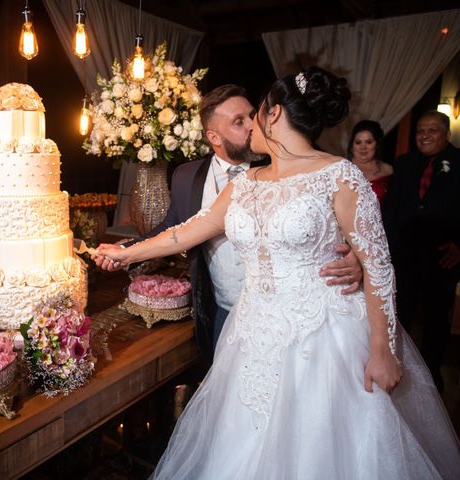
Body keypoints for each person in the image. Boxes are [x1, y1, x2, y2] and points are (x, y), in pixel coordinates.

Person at [95, 68, 460, 479]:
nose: (251, 122)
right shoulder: (247, 181)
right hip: (252, 335)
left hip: (324, 337)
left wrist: (382, 349)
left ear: (276, 113)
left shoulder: (340, 176)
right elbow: (187, 231)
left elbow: (377, 266)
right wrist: (126, 252)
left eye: (258, 111)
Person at [96, 84, 362, 359]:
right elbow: (178, 231)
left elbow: (336, 225)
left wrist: (358, 256)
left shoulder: (295, 168)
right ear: (214, 136)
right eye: (239, 121)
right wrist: (125, 252)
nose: (251, 125)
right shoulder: (193, 177)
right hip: (227, 311)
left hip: (307, 319)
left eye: (252, 115)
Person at [383, 110, 460, 392]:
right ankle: (401, 366)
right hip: (404, 254)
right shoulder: (405, 163)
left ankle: (431, 375)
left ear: (446, 134)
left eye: (432, 131)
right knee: (399, 311)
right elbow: (392, 208)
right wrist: (386, 249)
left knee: (436, 317)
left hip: (442, 256)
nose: (424, 136)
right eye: (420, 131)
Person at [347, 119, 393, 202]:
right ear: (352, 145)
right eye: (358, 142)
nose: (363, 147)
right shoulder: (341, 168)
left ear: (377, 144)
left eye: (368, 142)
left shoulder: (388, 170)